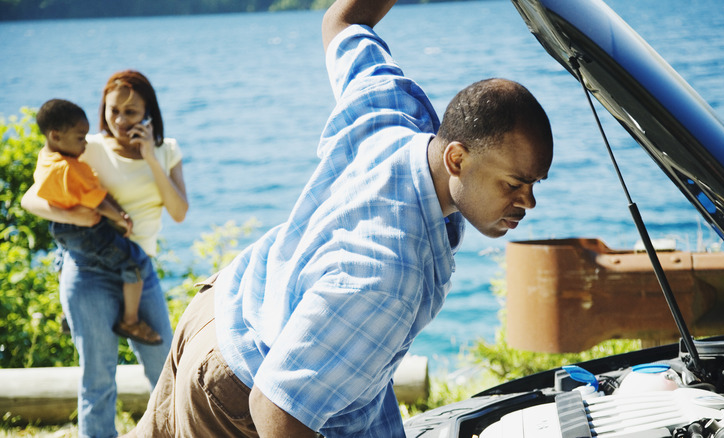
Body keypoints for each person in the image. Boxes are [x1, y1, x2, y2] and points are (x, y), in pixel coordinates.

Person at [128, 0, 553, 436]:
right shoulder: (390, 274)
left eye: (535, 184)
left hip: (223, 306)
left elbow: (343, 20)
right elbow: (276, 407)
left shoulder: (391, 112)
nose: (528, 202)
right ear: (457, 157)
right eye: (514, 184)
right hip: (236, 387)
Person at [22, 70, 188, 438]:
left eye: (131, 112)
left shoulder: (167, 149)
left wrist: (150, 156)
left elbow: (178, 212)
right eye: (113, 111)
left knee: (166, 368)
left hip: (139, 271)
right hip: (88, 272)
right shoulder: (85, 145)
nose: (120, 120)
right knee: (98, 377)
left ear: (148, 112)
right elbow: (31, 198)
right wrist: (76, 214)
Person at [33, 98, 162, 346]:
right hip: (85, 230)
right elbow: (98, 202)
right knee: (134, 262)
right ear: (56, 136)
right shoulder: (69, 168)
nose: (85, 143)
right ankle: (131, 320)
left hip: (61, 231)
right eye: (81, 138)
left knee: (62, 258)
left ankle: (68, 313)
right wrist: (120, 218)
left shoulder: (45, 159)